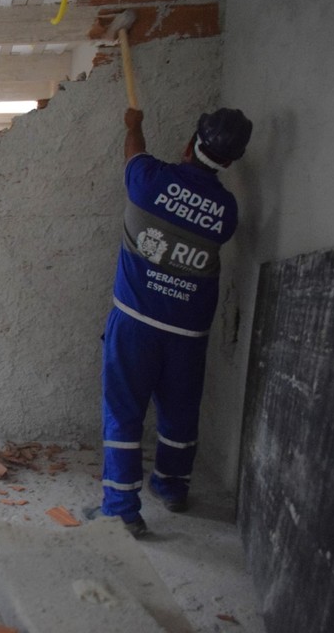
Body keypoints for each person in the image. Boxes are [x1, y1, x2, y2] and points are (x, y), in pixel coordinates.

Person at [87, 107, 253, 537]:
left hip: (135, 323)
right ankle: (173, 487)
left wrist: (134, 124)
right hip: (187, 333)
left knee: (123, 414)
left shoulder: (149, 180)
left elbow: (133, 152)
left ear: (189, 145)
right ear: (231, 162)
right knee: (179, 413)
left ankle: (122, 508)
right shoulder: (226, 212)